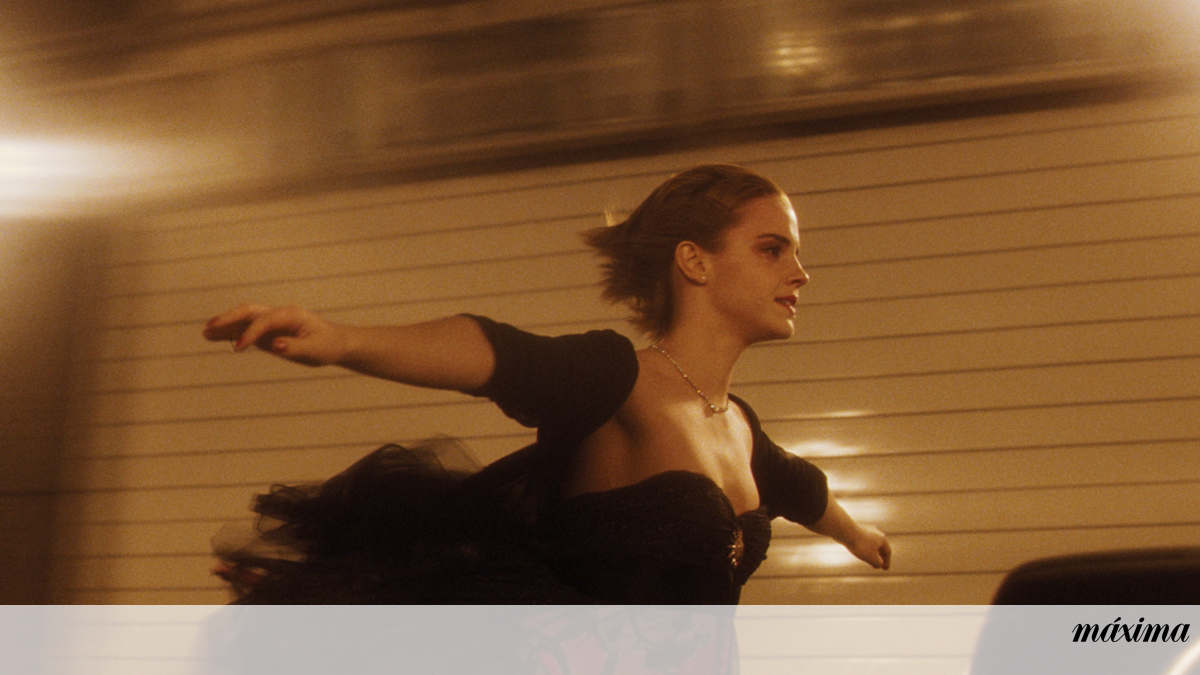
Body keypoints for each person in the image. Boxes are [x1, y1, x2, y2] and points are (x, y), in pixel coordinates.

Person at [201, 164, 890, 609]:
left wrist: (860, 535)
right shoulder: (617, 379)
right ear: (695, 262)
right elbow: (498, 353)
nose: (800, 273)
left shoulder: (736, 423)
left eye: (796, 253)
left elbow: (801, 487)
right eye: (772, 249)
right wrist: (343, 340)